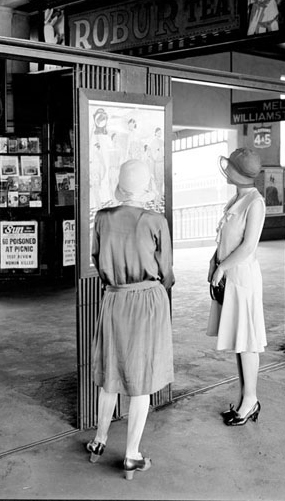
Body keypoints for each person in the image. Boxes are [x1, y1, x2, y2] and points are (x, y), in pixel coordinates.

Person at [86, 159, 174, 479]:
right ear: (146, 186)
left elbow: (96, 260)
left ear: (120, 186)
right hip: (147, 300)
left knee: (111, 373)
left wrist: (115, 285)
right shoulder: (155, 220)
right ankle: (131, 455)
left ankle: (99, 441)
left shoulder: (103, 218)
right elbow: (167, 272)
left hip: (114, 297)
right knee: (142, 379)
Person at [207, 147, 266, 426]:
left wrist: (222, 267)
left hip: (242, 279)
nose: (226, 171)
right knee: (239, 342)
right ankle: (246, 399)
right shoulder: (237, 198)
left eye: (231, 167)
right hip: (231, 276)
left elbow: (248, 247)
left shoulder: (255, 202)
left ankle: (250, 400)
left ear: (241, 174)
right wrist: (214, 260)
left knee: (247, 342)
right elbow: (226, 241)